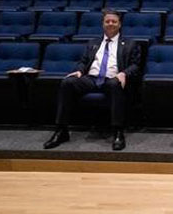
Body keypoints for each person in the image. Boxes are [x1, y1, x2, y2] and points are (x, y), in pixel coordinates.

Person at [43, 9, 141, 151]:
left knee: (115, 84)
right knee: (67, 82)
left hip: (112, 78)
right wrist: (79, 71)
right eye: (107, 21)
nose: (110, 24)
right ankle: (61, 130)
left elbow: (136, 65)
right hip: (91, 78)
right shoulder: (93, 43)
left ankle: (118, 131)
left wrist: (124, 73)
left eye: (114, 21)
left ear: (120, 24)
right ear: (103, 24)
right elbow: (83, 61)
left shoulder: (130, 44)